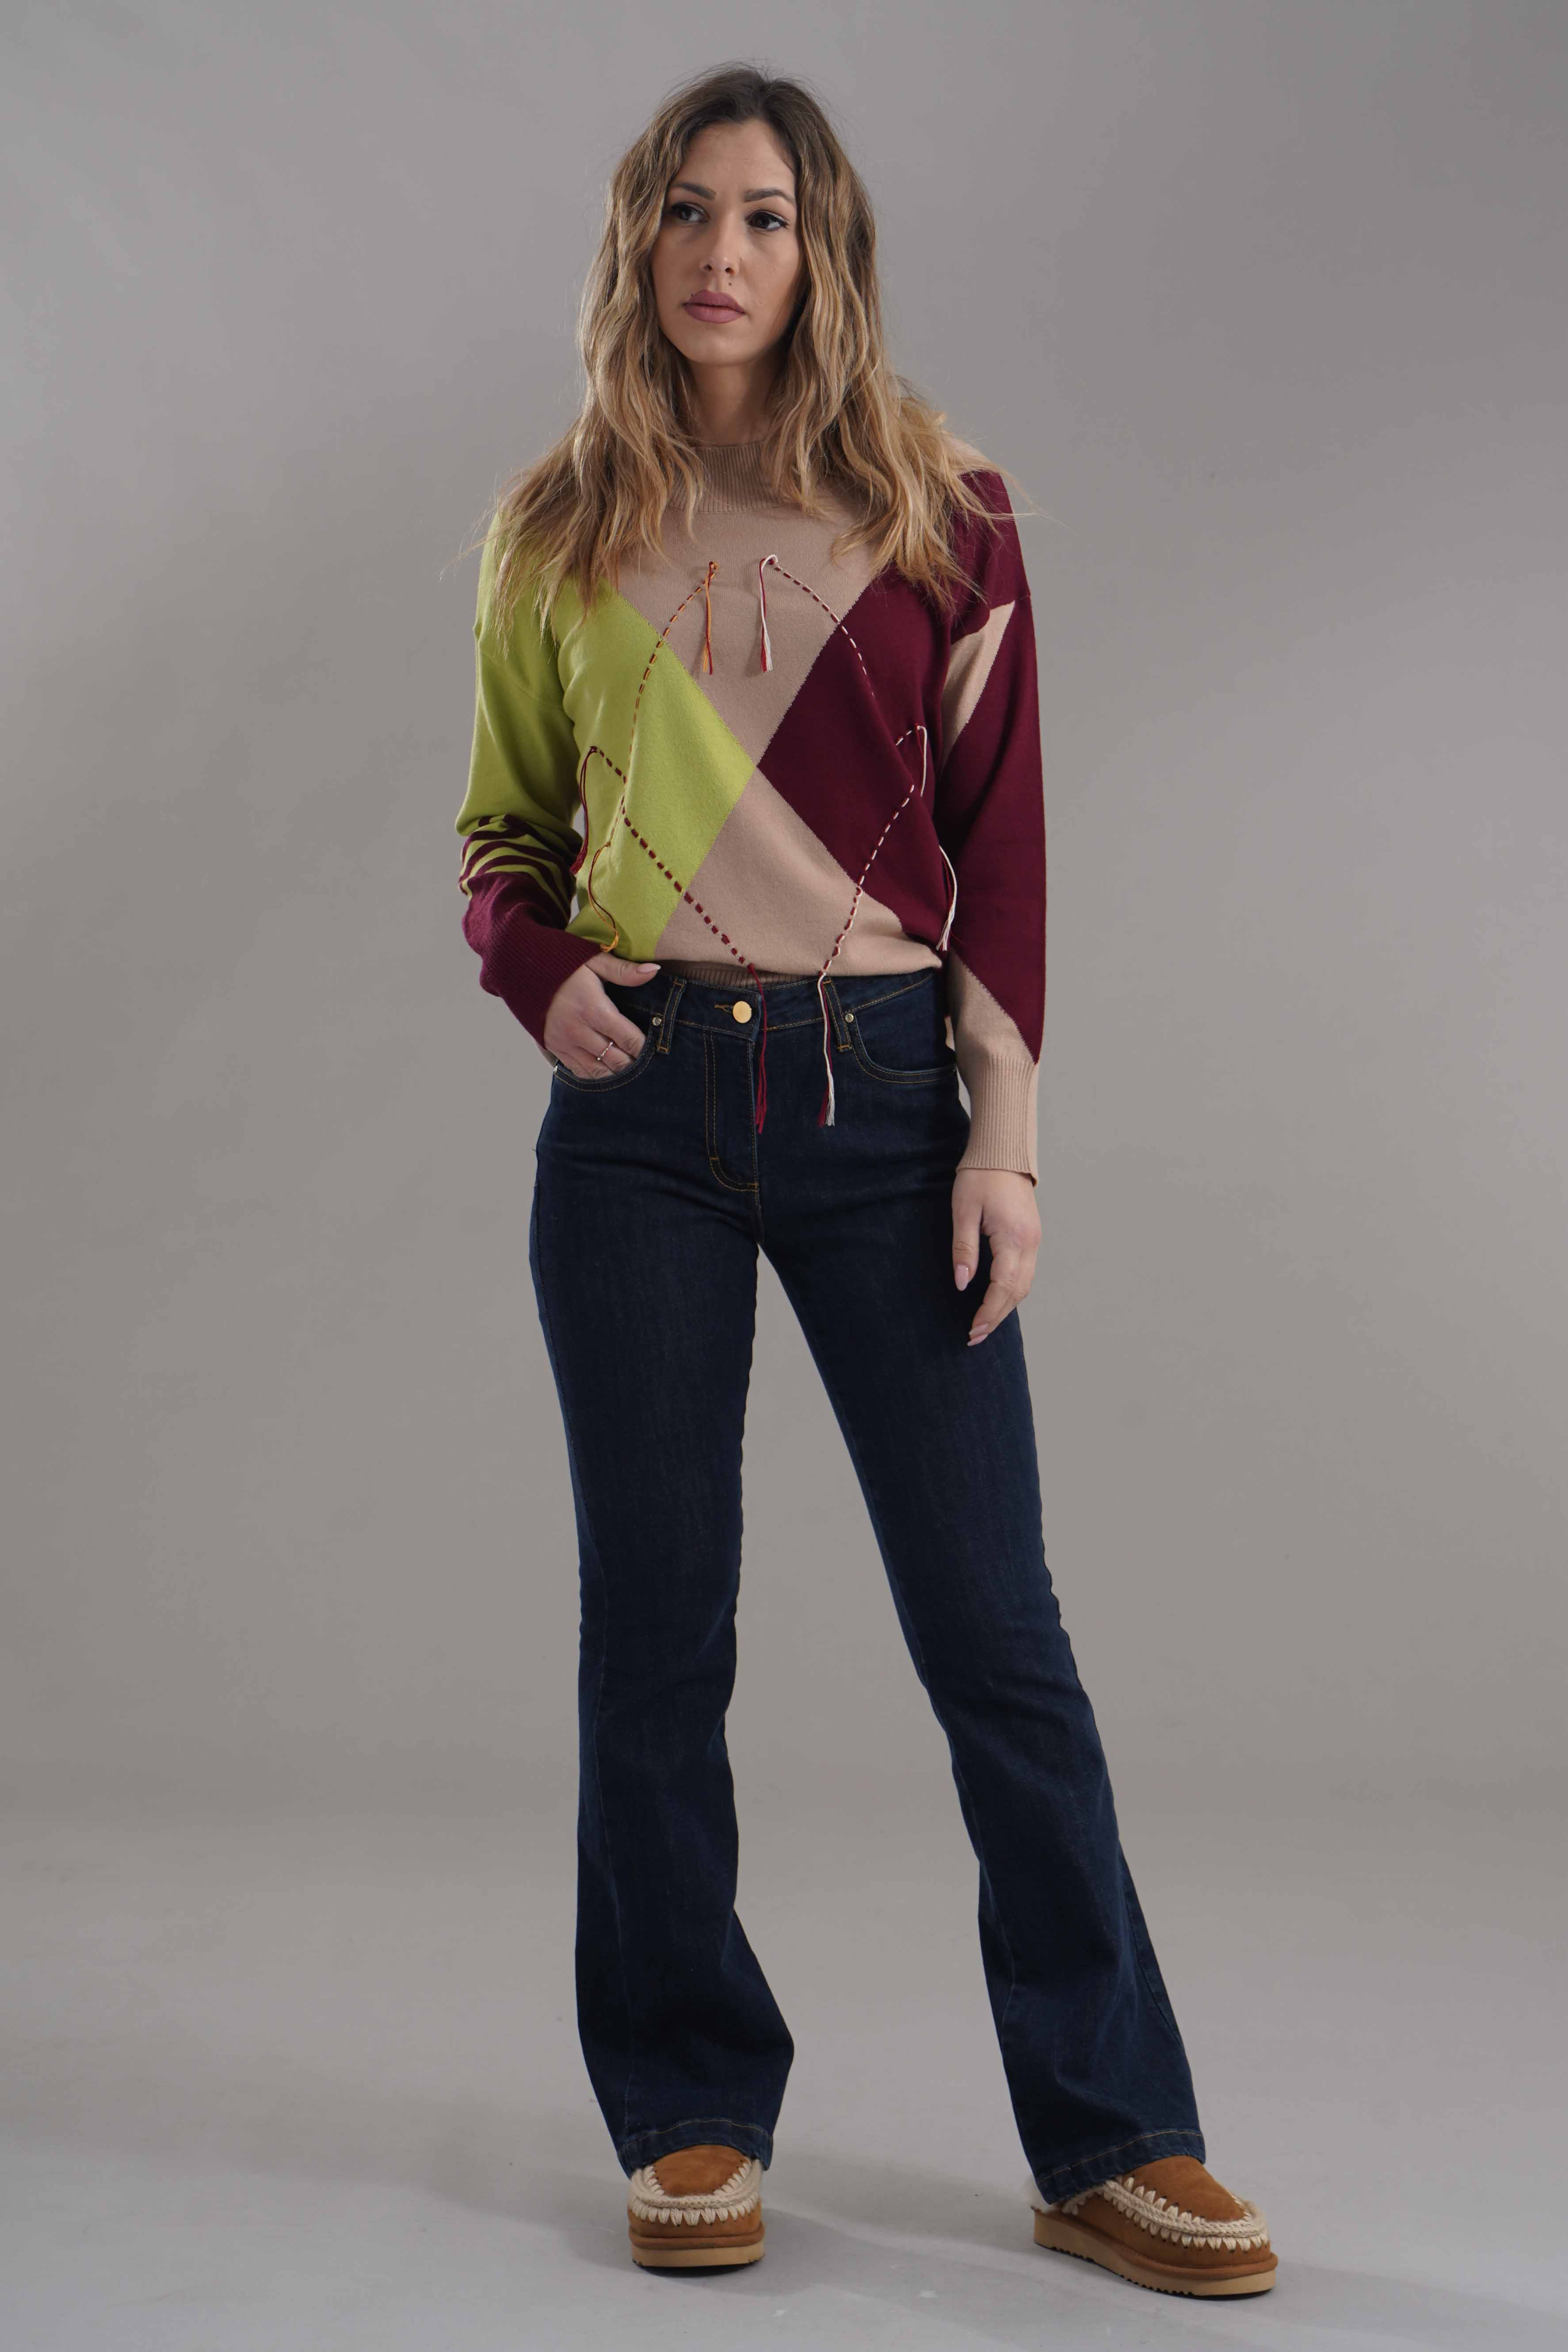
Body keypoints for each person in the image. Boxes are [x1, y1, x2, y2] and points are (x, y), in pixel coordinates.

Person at [453, 62, 1277, 2301]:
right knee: (656, 1632)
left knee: (995, 1636)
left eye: (766, 215)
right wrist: (540, 975)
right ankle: (685, 2102)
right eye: (686, 211)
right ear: (635, 243)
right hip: (637, 1133)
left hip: (889, 1105)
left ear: (822, 252)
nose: (722, 252)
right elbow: (499, 841)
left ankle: (1112, 2133)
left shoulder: (942, 508)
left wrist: (1003, 1138)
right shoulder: (554, 530)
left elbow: (1002, 843)